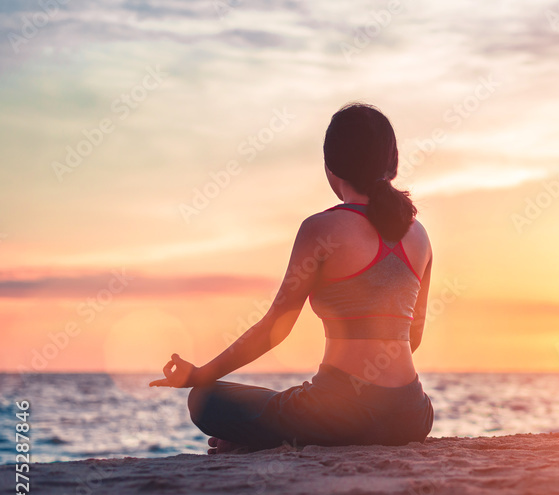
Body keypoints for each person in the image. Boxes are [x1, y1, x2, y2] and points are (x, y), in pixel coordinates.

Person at [150, 103, 434, 454]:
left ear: (331, 168)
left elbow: (275, 328)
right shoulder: (418, 234)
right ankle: (286, 433)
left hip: (343, 413)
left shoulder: (320, 229)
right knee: (295, 405)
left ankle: (264, 439)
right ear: (392, 164)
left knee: (205, 401)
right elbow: (413, 337)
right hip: (412, 415)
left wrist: (200, 375)